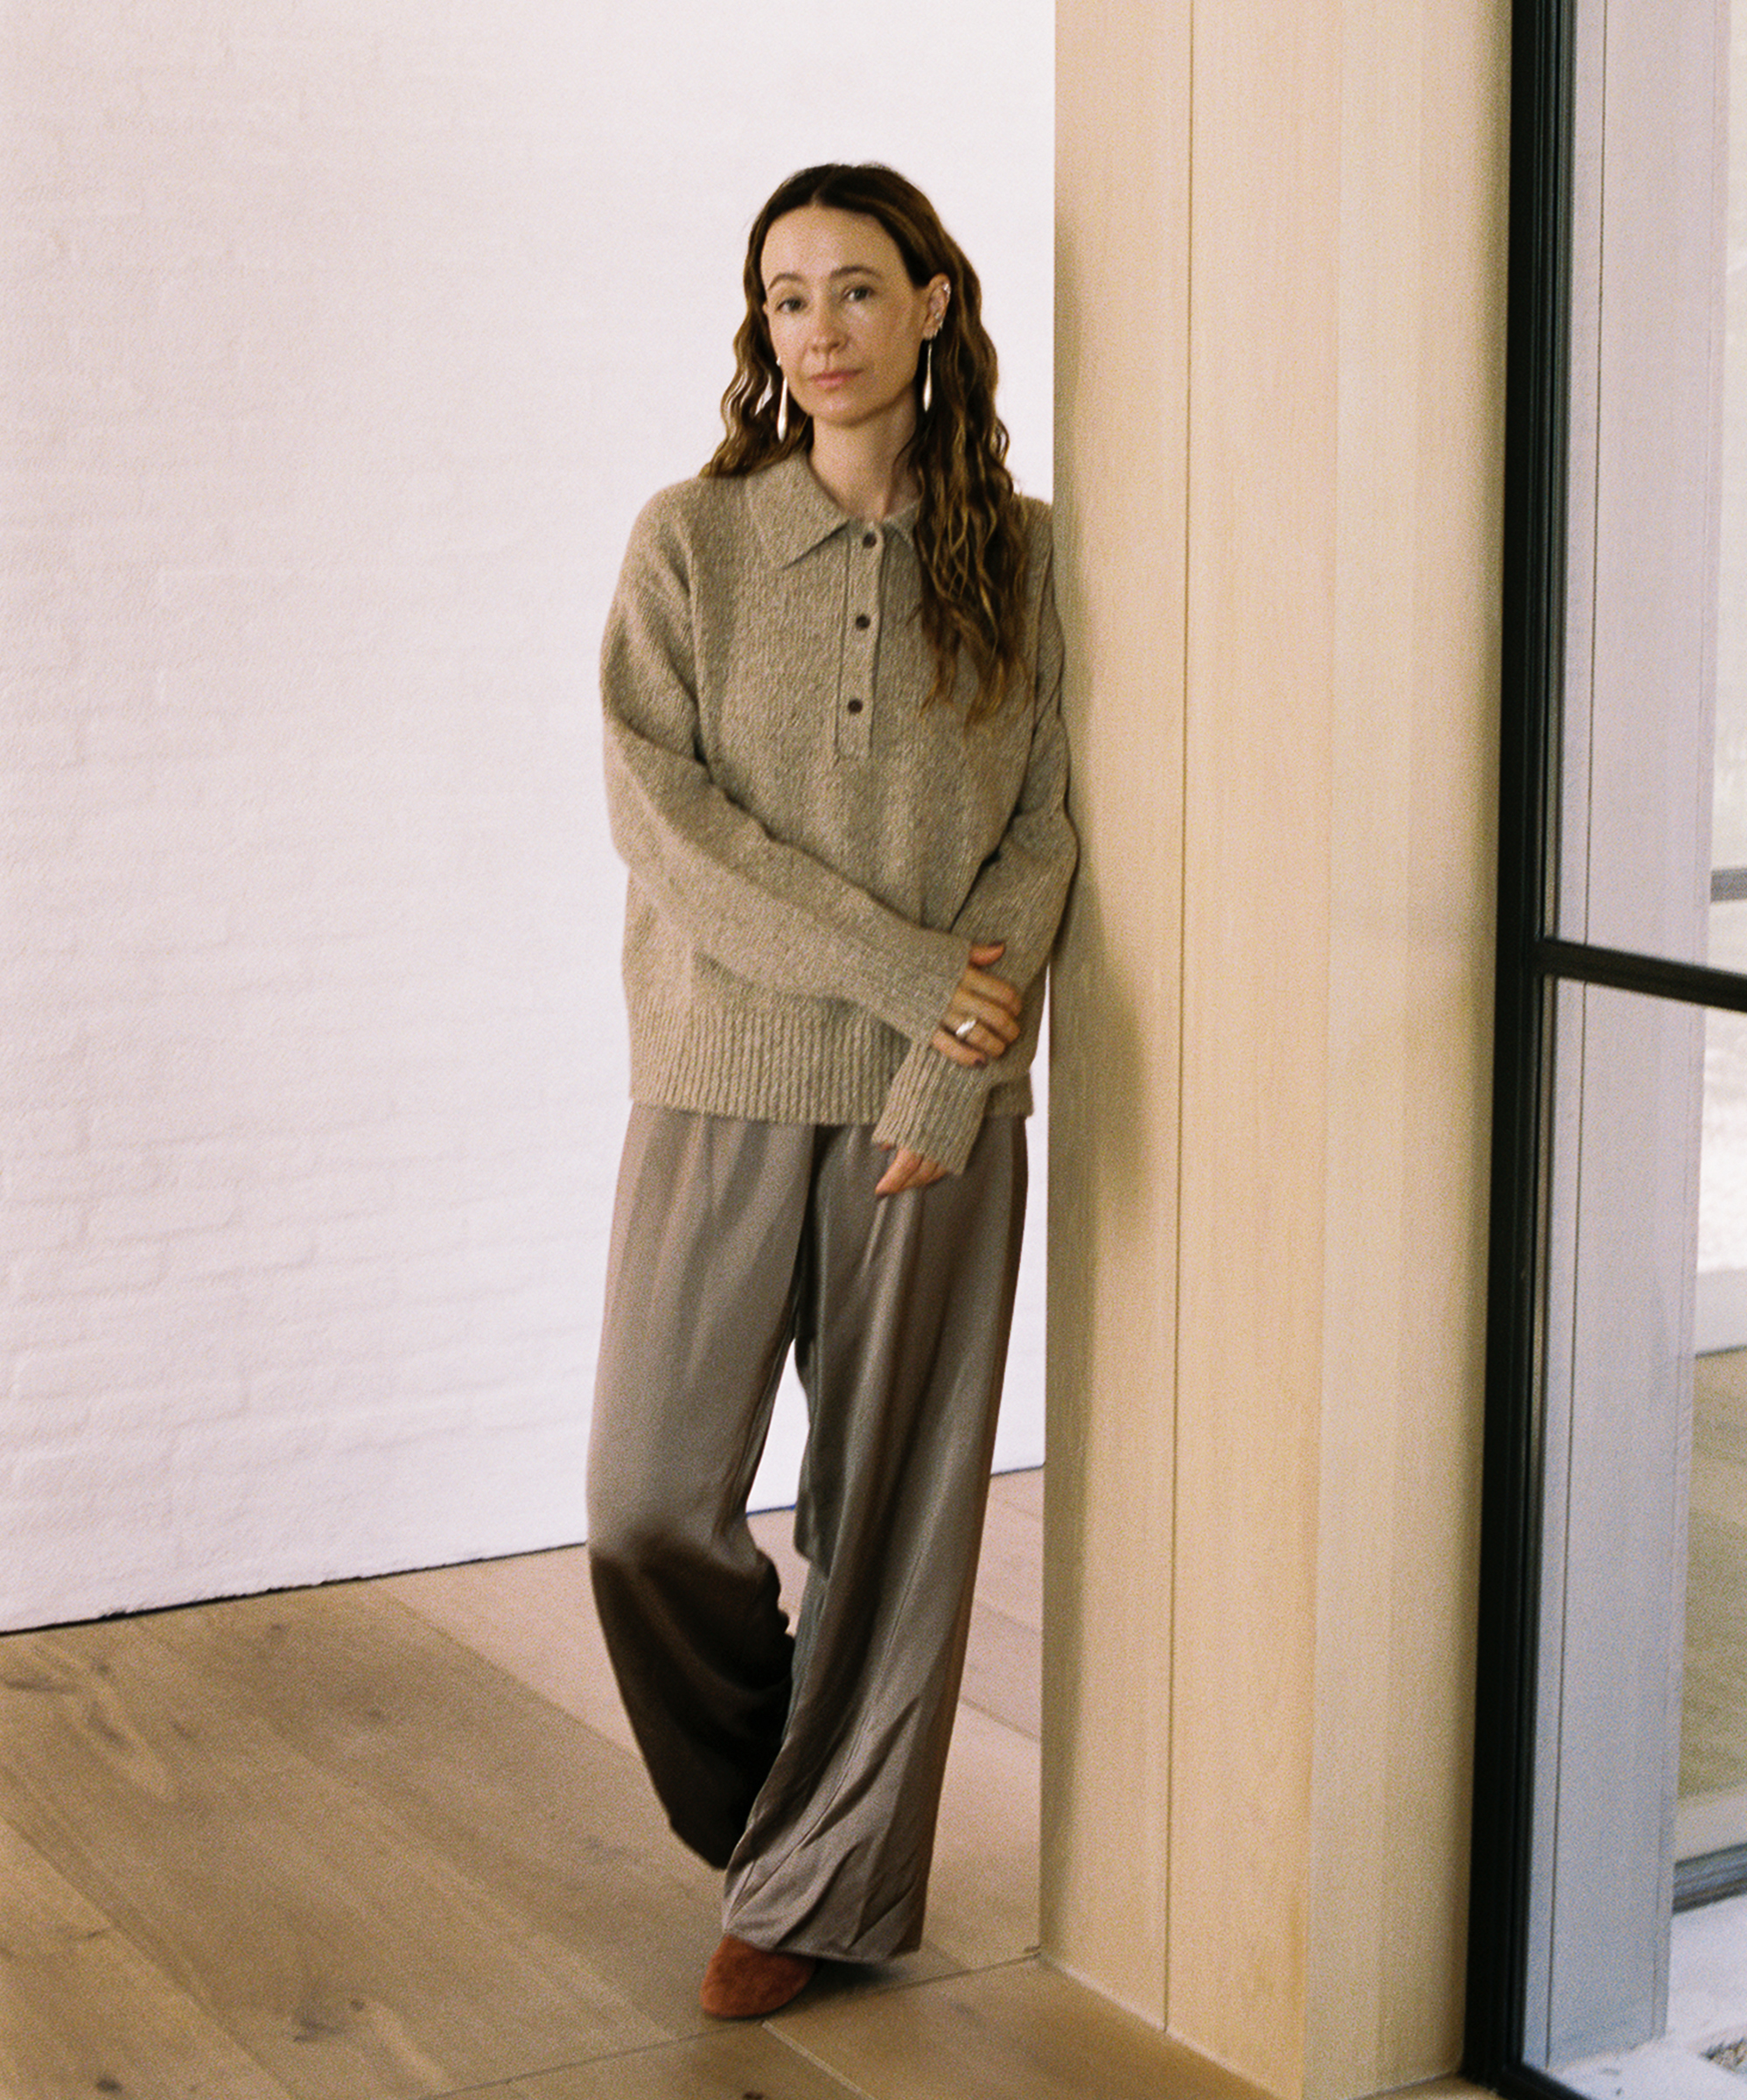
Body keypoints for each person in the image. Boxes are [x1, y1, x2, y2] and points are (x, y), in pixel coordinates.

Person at [586, 162, 1076, 2021]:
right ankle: (796, 1815)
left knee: (894, 1511)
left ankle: (814, 1895)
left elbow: (1043, 831)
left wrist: (955, 1072)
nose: (821, 332)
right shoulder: (691, 543)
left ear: (933, 305)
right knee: (646, 1504)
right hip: (717, 1072)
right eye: (787, 297)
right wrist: (901, 979)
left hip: (937, 1109)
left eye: (857, 291)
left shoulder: (1026, 556)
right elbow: (664, 820)